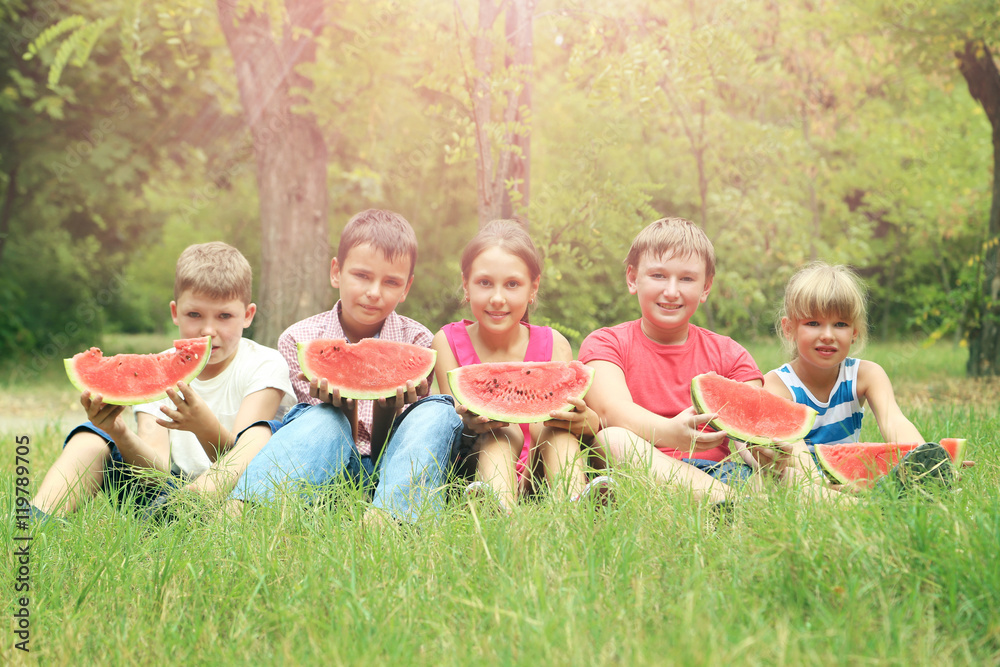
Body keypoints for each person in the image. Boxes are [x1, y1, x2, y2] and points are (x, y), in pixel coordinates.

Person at [579, 216, 835, 506]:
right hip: (646, 471)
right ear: (632, 278)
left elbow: (747, 431)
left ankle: (839, 502)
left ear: (705, 288)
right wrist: (672, 433)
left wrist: (766, 455)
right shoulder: (606, 342)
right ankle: (735, 504)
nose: (672, 291)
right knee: (612, 440)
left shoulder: (730, 353)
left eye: (687, 279)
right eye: (658, 276)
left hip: (725, 473)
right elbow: (611, 411)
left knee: (783, 454)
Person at [229, 209, 463, 524]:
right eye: (362, 276)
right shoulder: (297, 340)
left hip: (395, 468)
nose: (374, 292)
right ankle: (248, 509)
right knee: (321, 416)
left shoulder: (417, 339)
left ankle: (391, 520)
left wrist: (391, 407)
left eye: (391, 282)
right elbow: (327, 438)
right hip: (330, 472)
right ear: (336, 272)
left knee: (439, 410)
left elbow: (401, 442)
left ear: (406, 288)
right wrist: (344, 407)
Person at [30, 242, 293, 520]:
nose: (208, 330)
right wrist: (120, 432)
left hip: (233, 496)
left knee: (262, 439)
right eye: (194, 314)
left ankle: (191, 517)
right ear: (174, 312)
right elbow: (155, 470)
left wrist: (204, 428)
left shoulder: (264, 365)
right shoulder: (155, 372)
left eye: (224, 316)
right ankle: (33, 520)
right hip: (164, 498)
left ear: (248, 315)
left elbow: (244, 459)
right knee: (91, 435)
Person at [431, 220, 606, 511]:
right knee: (503, 432)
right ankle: (500, 510)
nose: (497, 298)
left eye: (512, 284)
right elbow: (453, 425)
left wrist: (586, 421)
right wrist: (470, 425)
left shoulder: (555, 344)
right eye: (485, 283)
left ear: (532, 288)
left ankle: (574, 506)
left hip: (539, 471)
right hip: (475, 467)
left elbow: (570, 422)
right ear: (466, 285)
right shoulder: (447, 341)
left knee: (556, 431)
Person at [761, 261, 956, 489]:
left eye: (840, 324)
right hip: (799, 480)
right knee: (790, 479)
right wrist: (819, 485)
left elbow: (893, 421)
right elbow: (793, 451)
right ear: (789, 329)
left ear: (854, 333)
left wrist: (928, 464)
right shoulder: (778, 385)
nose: (827, 335)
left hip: (849, 477)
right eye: (813, 323)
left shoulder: (866, 374)